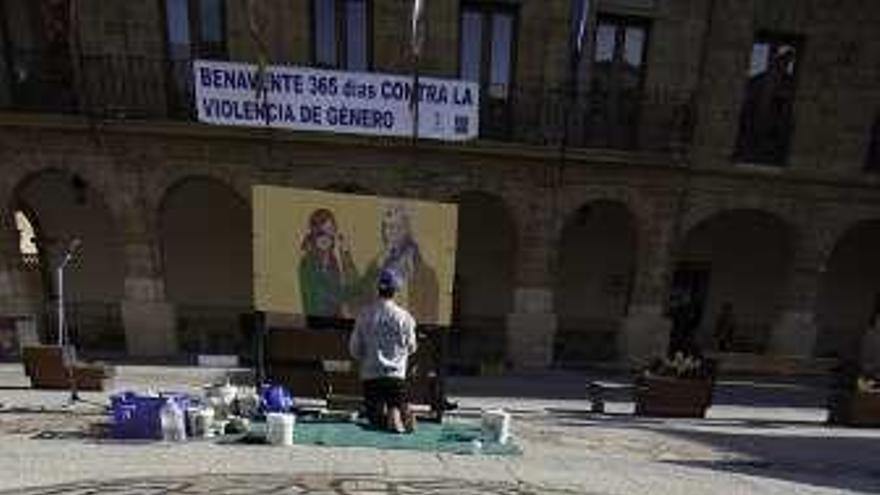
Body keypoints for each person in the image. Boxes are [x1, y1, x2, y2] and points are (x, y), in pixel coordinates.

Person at [348, 269, 418, 433]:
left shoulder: (364, 314)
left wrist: (365, 357)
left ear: (377, 289)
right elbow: (412, 347)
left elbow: (354, 349)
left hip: (371, 376)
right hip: (396, 376)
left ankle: (389, 416)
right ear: (396, 291)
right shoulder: (404, 317)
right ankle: (399, 409)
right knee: (397, 397)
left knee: (375, 419)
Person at [298, 209, 358, 318]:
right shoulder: (308, 263)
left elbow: (354, 284)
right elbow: (326, 297)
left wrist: (346, 256)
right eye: (321, 231)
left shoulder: (333, 261)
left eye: (330, 231)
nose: (326, 236)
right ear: (314, 233)